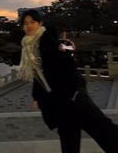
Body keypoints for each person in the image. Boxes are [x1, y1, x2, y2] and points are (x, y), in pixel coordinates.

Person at [18, 9, 118, 153]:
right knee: (69, 140)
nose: (28, 26)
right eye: (25, 23)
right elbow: (38, 75)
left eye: (32, 22)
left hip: (73, 97)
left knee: (105, 131)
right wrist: (37, 97)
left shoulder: (48, 39)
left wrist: (67, 46)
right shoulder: (29, 46)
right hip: (59, 102)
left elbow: (66, 55)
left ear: (40, 23)